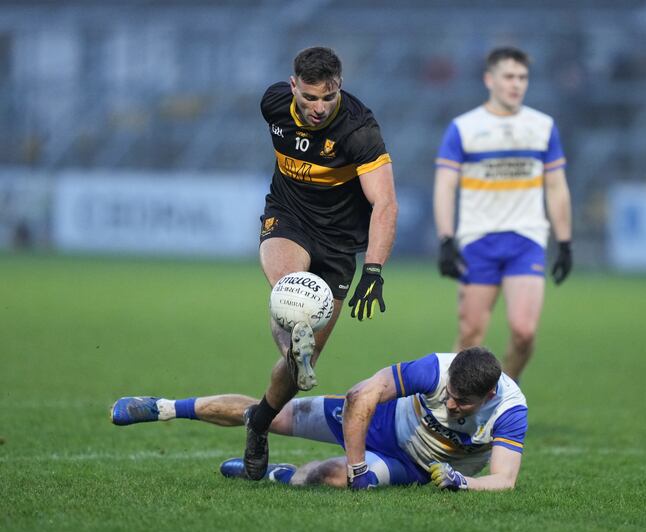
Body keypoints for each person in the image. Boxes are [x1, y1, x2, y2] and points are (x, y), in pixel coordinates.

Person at [246, 46, 398, 480]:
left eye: (327, 98)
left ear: (340, 87)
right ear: (293, 86)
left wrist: (373, 268)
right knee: (290, 292)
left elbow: (385, 202)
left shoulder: (359, 130)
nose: (318, 108)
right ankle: (297, 336)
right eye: (309, 97)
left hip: (337, 243)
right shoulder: (272, 103)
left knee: (296, 374)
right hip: (288, 217)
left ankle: (258, 424)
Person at [110, 346, 527, 491]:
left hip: (411, 466)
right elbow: (362, 395)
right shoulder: (436, 368)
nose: (452, 406)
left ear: (488, 394)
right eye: (449, 396)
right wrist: (359, 467)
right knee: (269, 414)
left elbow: (504, 481)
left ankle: (278, 475)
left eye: (463, 404)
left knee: (327, 475)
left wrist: (462, 482)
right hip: (379, 421)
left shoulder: (509, 411)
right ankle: (164, 407)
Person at [433, 46, 573, 382]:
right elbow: (444, 185)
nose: (516, 84)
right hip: (478, 240)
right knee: (470, 335)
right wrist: (446, 239)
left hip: (526, 239)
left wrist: (565, 242)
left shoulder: (542, 126)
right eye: (509, 76)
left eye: (523, 77)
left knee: (524, 332)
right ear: (489, 79)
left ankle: (502, 396)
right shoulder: (464, 128)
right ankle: (453, 405)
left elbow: (556, 186)